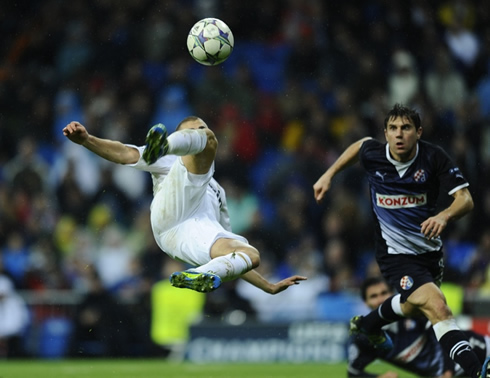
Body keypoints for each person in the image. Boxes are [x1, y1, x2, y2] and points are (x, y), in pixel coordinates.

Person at [313, 103, 488, 378]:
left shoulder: (433, 157)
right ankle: (475, 370)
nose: (399, 134)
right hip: (395, 256)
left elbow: (465, 200)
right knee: (438, 307)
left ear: (418, 132)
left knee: (415, 308)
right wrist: (329, 174)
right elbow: (360, 146)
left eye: (406, 128)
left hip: (429, 253)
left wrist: (444, 217)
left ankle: (369, 325)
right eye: (393, 128)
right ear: (385, 133)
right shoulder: (375, 154)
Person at [63, 117, 306, 294]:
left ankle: (200, 275)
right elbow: (125, 153)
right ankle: (165, 142)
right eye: (193, 131)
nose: (200, 132)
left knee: (251, 254)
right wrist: (87, 140)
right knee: (209, 139)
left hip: (186, 238)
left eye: (200, 129)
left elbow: (231, 257)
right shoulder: (167, 159)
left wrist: (269, 287)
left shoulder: (218, 192)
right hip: (170, 211)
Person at [348, 276, 490, 377]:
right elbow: (353, 373)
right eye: (373, 296)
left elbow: (442, 333)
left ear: (392, 294)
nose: (380, 299)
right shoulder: (367, 339)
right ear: (365, 302)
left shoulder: (412, 310)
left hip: (475, 350)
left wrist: (447, 371)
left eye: (384, 293)